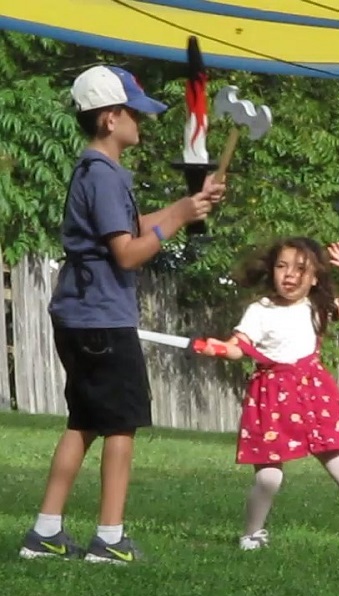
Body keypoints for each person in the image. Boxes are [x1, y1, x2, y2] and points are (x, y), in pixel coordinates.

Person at [19, 65, 225, 563]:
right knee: (120, 425)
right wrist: (176, 219)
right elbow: (128, 253)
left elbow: (130, 228)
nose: (141, 121)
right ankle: (109, 539)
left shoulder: (96, 171)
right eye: (133, 112)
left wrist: (186, 205)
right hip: (101, 320)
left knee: (84, 421)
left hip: (81, 315)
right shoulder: (103, 176)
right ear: (110, 119)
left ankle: (46, 532)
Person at [201, 237, 339, 556]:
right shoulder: (260, 310)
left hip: (315, 398)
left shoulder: (317, 306)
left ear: (314, 278)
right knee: (269, 477)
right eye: (282, 266)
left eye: (301, 269)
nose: (290, 274)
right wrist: (219, 348)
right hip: (271, 400)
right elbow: (237, 346)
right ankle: (252, 534)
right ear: (271, 271)